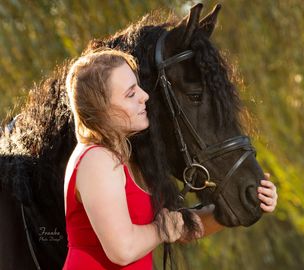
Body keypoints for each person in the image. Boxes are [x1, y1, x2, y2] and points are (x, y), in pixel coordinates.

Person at [63, 48, 278, 269]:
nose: (144, 96)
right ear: (101, 108)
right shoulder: (97, 160)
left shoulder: (125, 157)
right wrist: (160, 229)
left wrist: (244, 202)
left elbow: (180, 229)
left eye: (138, 86)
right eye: (130, 94)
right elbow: (122, 250)